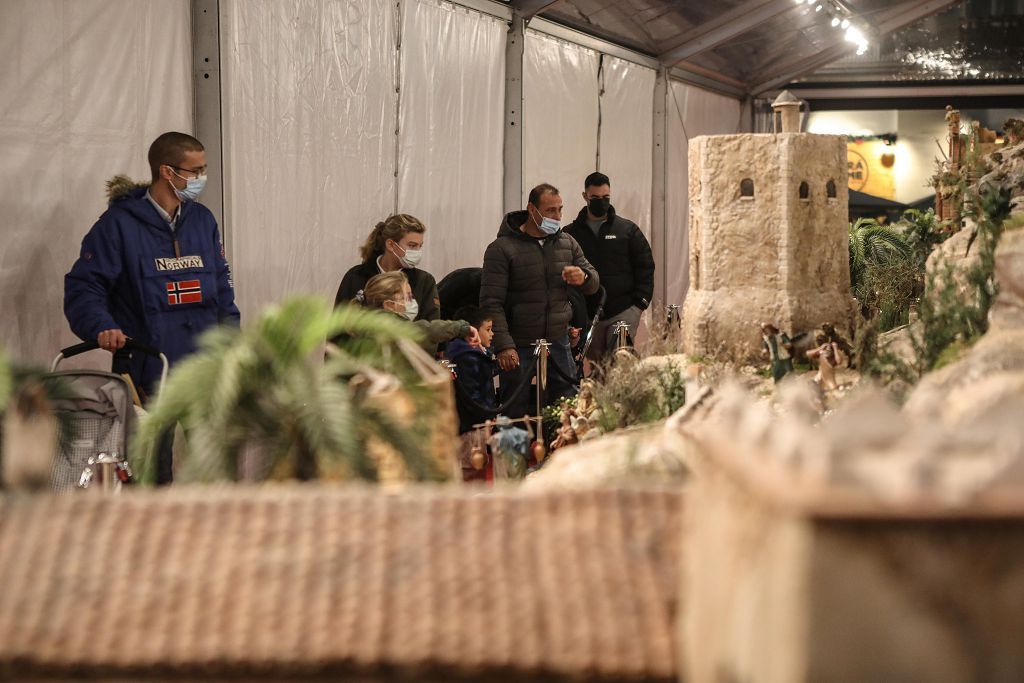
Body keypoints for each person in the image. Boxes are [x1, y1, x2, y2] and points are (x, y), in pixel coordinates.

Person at [64, 131, 240, 484]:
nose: (201, 179)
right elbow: (84, 287)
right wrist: (102, 326)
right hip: (150, 367)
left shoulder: (202, 221)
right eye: (195, 171)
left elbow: (221, 288)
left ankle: (221, 534)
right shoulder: (117, 226)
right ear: (167, 172)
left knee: (217, 463)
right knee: (152, 470)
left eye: (204, 169)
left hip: (203, 367)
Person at [479, 183, 600, 419]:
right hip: (518, 344)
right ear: (531, 209)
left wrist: (583, 277)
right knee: (513, 412)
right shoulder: (501, 249)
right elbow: (491, 302)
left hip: (558, 341)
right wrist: (503, 344)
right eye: (550, 211)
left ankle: (562, 453)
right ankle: (513, 455)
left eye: (559, 210)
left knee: (565, 410)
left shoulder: (568, 242)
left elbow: (594, 281)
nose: (556, 217)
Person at [564, 172, 654, 360]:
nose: (601, 202)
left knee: (620, 366)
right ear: (585, 197)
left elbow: (645, 265)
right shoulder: (570, 234)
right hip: (588, 314)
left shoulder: (627, 230)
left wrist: (640, 304)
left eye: (606, 197)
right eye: (595, 198)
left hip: (624, 309)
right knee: (598, 368)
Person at [335, 214, 439, 321]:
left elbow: (432, 328)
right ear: (390, 244)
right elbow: (337, 328)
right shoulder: (356, 276)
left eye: (420, 246)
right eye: (412, 245)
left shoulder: (424, 280)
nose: (417, 252)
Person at [358, 271, 477, 353]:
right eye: (408, 297)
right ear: (389, 305)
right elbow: (426, 329)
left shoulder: (365, 325)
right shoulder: (386, 327)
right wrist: (461, 327)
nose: (413, 301)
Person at [447, 305, 498, 482]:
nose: (492, 334)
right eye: (488, 329)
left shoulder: (474, 354)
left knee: (476, 465)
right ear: (473, 331)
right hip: (471, 424)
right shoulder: (466, 356)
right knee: (471, 466)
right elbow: (471, 393)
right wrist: (487, 414)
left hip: (477, 419)